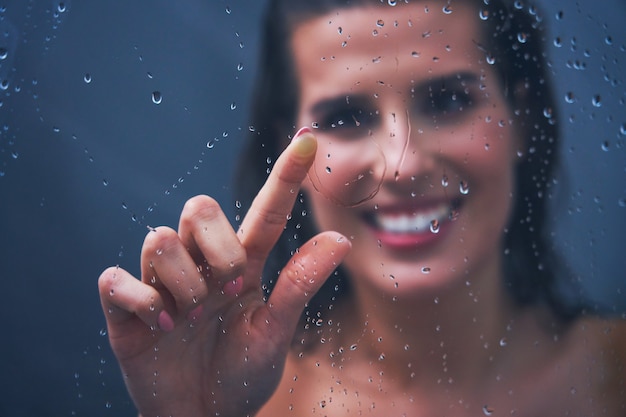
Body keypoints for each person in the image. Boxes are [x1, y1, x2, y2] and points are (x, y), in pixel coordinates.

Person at [98, 0, 626, 416]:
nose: (403, 164)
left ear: (523, 119)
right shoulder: (247, 400)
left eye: (448, 101)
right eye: (347, 117)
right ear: (290, 153)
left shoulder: (614, 375)